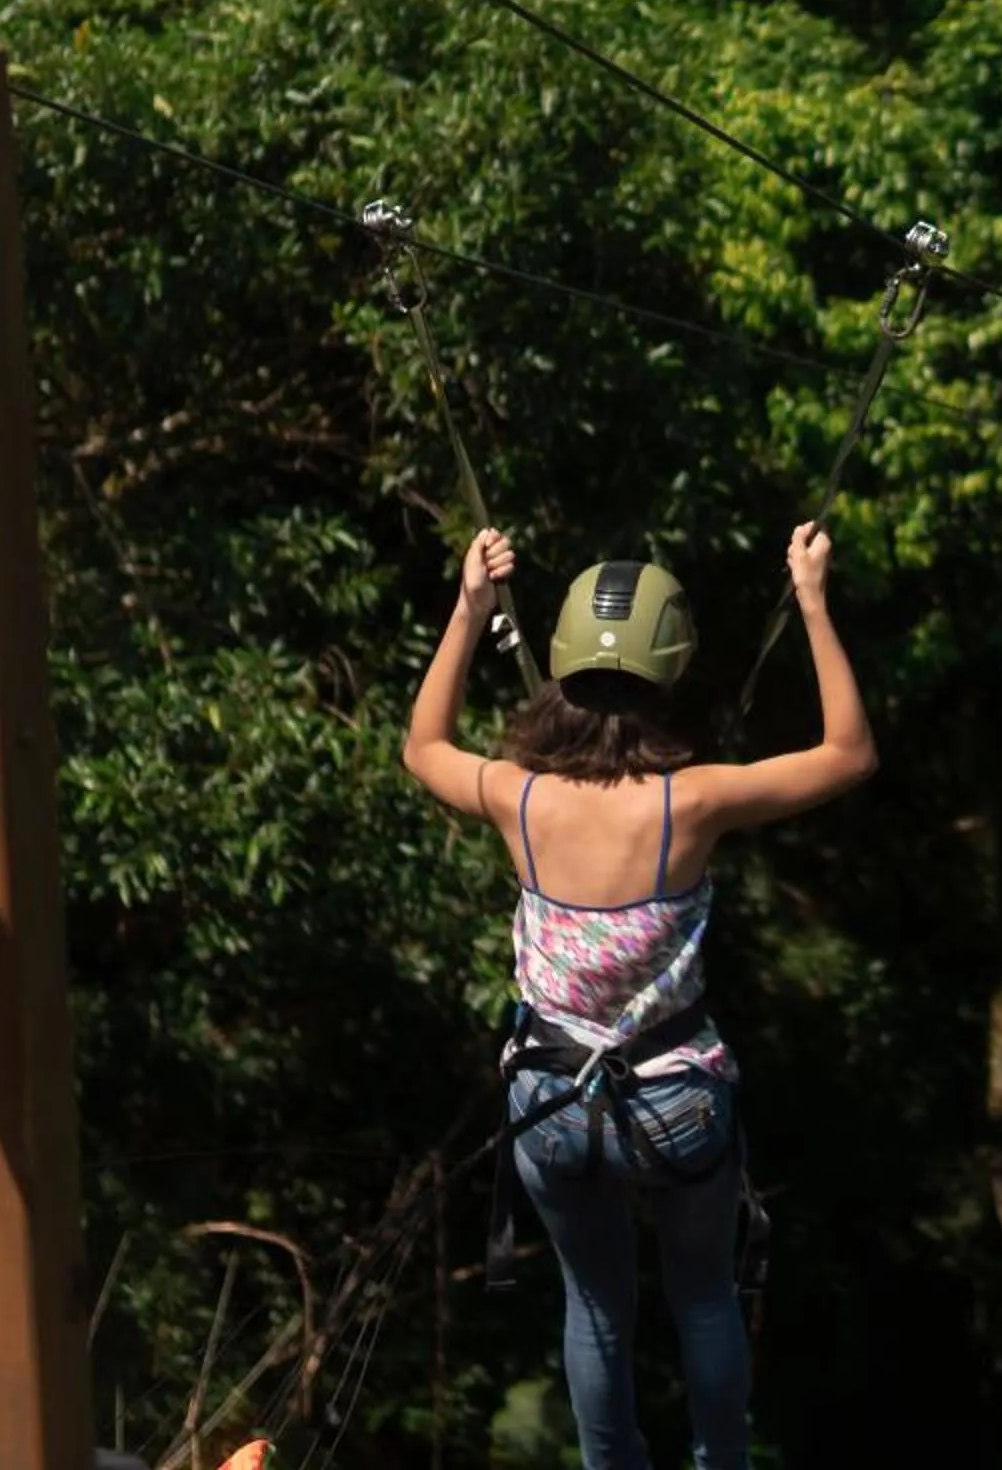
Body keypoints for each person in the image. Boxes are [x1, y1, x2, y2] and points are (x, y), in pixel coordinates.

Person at [401, 521, 877, 1470]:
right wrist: (814, 603)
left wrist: (469, 608)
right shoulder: (692, 802)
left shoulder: (517, 796)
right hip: (676, 1099)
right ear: (671, 670)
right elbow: (849, 754)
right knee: (701, 1297)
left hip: (551, 1100)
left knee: (595, 1307)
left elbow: (422, 745)